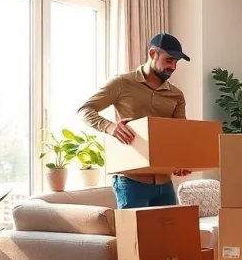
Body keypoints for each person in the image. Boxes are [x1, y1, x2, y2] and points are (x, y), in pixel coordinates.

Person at [78, 33, 192, 209]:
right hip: (130, 180)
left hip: (164, 181)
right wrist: (110, 127)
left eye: (176, 62)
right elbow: (85, 110)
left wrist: (182, 161)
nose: (173, 67)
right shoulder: (122, 83)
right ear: (153, 54)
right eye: (169, 60)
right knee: (133, 236)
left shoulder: (176, 95)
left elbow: (179, 133)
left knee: (169, 236)